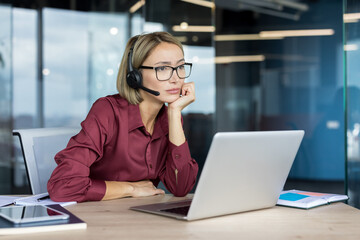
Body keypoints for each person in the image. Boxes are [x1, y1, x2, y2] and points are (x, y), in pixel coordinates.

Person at [47, 32, 199, 203]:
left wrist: (174, 112)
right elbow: (63, 186)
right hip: (97, 217)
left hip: (138, 217)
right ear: (135, 76)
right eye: (162, 68)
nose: (176, 78)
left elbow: (181, 187)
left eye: (180, 67)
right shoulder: (108, 111)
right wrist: (131, 189)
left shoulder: (169, 117)